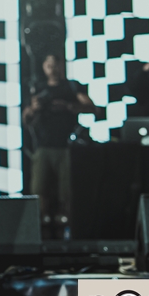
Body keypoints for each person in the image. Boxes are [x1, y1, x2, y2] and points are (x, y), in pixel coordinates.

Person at [22, 54, 95, 239]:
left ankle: (69, 232)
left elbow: (92, 108)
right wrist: (34, 108)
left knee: (67, 194)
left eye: (55, 65)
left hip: (66, 147)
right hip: (43, 147)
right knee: (39, 192)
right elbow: (26, 119)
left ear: (61, 66)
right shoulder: (38, 89)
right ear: (43, 67)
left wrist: (69, 106)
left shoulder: (71, 87)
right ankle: (40, 233)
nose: (52, 69)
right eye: (49, 65)